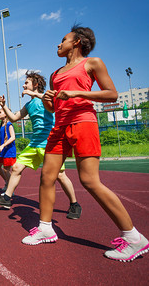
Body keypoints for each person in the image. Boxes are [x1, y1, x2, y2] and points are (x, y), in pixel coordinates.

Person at [21, 25, 148, 262]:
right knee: (47, 177)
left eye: (63, 39)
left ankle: (134, 239)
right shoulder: (55, 74)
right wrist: (50, 100)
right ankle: (46, 228)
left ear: (77, 41)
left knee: (89, 180)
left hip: (83, 122)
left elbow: (112, 94)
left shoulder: (92, 63)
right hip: (59, 127)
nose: (58, 44)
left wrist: (76, 94)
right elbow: (54, 106)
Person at [0, 71, 82, 219]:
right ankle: (6, 198)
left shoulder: (46, 97)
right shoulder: (29, 104)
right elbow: (14, 117)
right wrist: (4, 106)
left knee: (60, 175)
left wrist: (36, 94)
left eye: (26, 83)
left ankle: (74, 204)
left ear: (35, 85)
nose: (23, 85)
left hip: (50, 142)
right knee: (17, 167)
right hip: (34, 143)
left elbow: (55, 103)